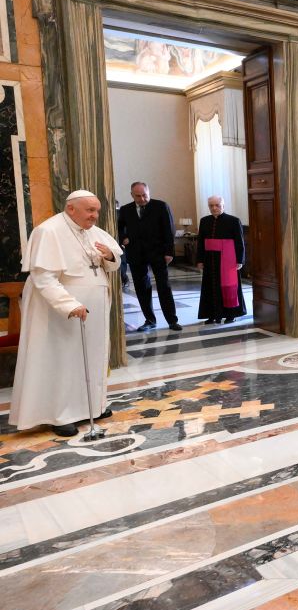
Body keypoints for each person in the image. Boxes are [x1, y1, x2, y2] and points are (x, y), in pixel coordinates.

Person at [11, 191, 123, 436]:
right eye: (89, 211)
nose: (94, 216)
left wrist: (109, 256)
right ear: (71, 208)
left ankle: (93, 406)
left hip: (93, 313)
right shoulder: (48, 231)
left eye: (96, 211)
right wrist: (68, 305)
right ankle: (60, 414)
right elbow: (43, 278)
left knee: (91, 359)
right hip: (60, 314)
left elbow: (114, 263)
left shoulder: (93, 232)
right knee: (63, 362)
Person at [117, 182, 180, 332]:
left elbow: (169, 230)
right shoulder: (126, 210)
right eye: (138, 196)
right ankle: (149, 320)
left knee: (164, 286)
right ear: (132, 195)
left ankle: (172, 320)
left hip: (158, 253)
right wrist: (123, 237)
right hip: (136, 253)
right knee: (141, 287)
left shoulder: (161, 206)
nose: (142, 198)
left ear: (148, 192)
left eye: (145, 195)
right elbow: (119, 227)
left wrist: (169, 252)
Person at [196, 196, 246, 325]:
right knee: (210, 287)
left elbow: (240, 242)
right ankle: (212, 315)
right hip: (210, 259)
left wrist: (240, 260)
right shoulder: (204, 221)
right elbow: (200, 242)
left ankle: (231, 314)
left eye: (217, 205)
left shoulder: (234, 221)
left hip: (228, 260)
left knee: (229, 287)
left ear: (223, 205)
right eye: (211, 206)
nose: (214, 208)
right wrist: (199, 259)